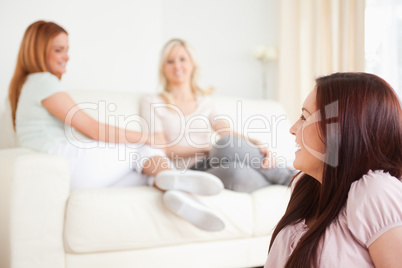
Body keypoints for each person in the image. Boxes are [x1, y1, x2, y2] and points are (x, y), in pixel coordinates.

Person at [8, 20, 226, 232]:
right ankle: (180, 181)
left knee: (145, 172)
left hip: (64, 171)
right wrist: (146, 137)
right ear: (38, 51)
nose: (67, 56)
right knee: (142, 149)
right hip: (63, 162)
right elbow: (92, 128)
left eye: (67, 49)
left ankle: (185, 199)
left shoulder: (30, 84)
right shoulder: (43, 81)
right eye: (59, 50)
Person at [265, 72, 402, 267]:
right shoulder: (305, 187)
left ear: (341, 129)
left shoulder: (375, 191)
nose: (293, 128)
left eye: (304, 117)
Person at [140, 38, 295, 194]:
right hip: (189, 170)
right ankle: (286, 180)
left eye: (182, 59)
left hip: (214, 158)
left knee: (227, 143)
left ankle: (292, 179)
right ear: (163, 68)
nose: (177, 66)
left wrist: (256, 143)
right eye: (170, 61)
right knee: (236, 172)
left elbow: (226, 132)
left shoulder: (204, 102)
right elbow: (162, 148)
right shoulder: (152, 102)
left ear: (192, 64)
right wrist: (207, 148)